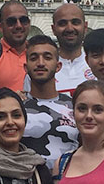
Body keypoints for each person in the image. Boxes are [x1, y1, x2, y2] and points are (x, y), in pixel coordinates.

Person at [22, 35, 78, 167]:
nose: (40, 63)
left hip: (69, 182)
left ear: (58, 66)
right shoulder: (16, 108)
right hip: (28, 183)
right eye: (34, 58)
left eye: (47, 57)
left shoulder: (75, 106)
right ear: (26, 67)